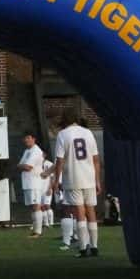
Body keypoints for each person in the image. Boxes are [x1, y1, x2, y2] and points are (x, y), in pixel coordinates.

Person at [52, 109, 101, 258]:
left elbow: (60, 160)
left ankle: (83, 247)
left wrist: (56, 179)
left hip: (73, 177)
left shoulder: (63, 134)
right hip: (89, 176)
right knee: (91, 210)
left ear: (64, 121)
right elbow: (96, 159)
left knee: (80, 212)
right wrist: (98, 180)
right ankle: (94, 246)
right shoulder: (87, 132)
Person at [18, 132, 46, 238]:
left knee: (36, 206)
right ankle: (35, 230)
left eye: (28, 138)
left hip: (34, 182)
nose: (26, 140)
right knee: (32, 207)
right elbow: (20, 164)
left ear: (34, 139)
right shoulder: (27, 151)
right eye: (25, 138)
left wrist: (22, 165)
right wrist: (22, 165)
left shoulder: (36, 150)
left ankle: (38, 232)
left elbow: (28, 167)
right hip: (27, 182)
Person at [40, 153, 55, 228]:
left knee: (47, 205)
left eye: (42, 154)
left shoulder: (49, 164)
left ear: (45, 155)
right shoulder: (36, 164)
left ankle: (51, 223)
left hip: (47, 188)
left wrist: (50, 188)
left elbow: (52, 177)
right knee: (41, 206)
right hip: (39, 189)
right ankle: (46, 224)